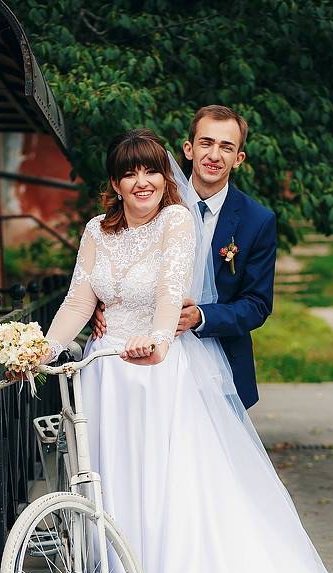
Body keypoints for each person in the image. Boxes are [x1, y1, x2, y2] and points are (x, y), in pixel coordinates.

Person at [40, 128, 333, 573]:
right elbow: (81, 299)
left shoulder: (179, 222)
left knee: (166, 499)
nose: (141, 182)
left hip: (157, 374)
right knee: (115, 496)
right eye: (129, 173)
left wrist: (159, 340)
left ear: (167, 175)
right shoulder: (95, 232)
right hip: (106, 379)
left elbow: (171, 293)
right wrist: (42, 349)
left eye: (150, 172)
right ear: (115, 183)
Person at [91, 105, 276, 409]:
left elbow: (257, 304)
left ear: (239, 158)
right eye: (206, 143)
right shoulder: (148, 197)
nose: (214, 155)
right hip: (140, 356)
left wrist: (201, 316)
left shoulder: (258, 221)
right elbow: (113, 256)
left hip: (218, 363)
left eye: (226, 147)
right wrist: (103, 304)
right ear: (189, 149)